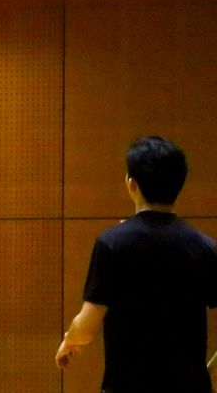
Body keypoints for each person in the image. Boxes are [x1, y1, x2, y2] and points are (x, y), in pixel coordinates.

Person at [55, 136, 217, 393]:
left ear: (132, 184)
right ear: (180, 184)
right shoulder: (205, 247)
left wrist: (70, 340)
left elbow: (87, 326)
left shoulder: (112, 243)